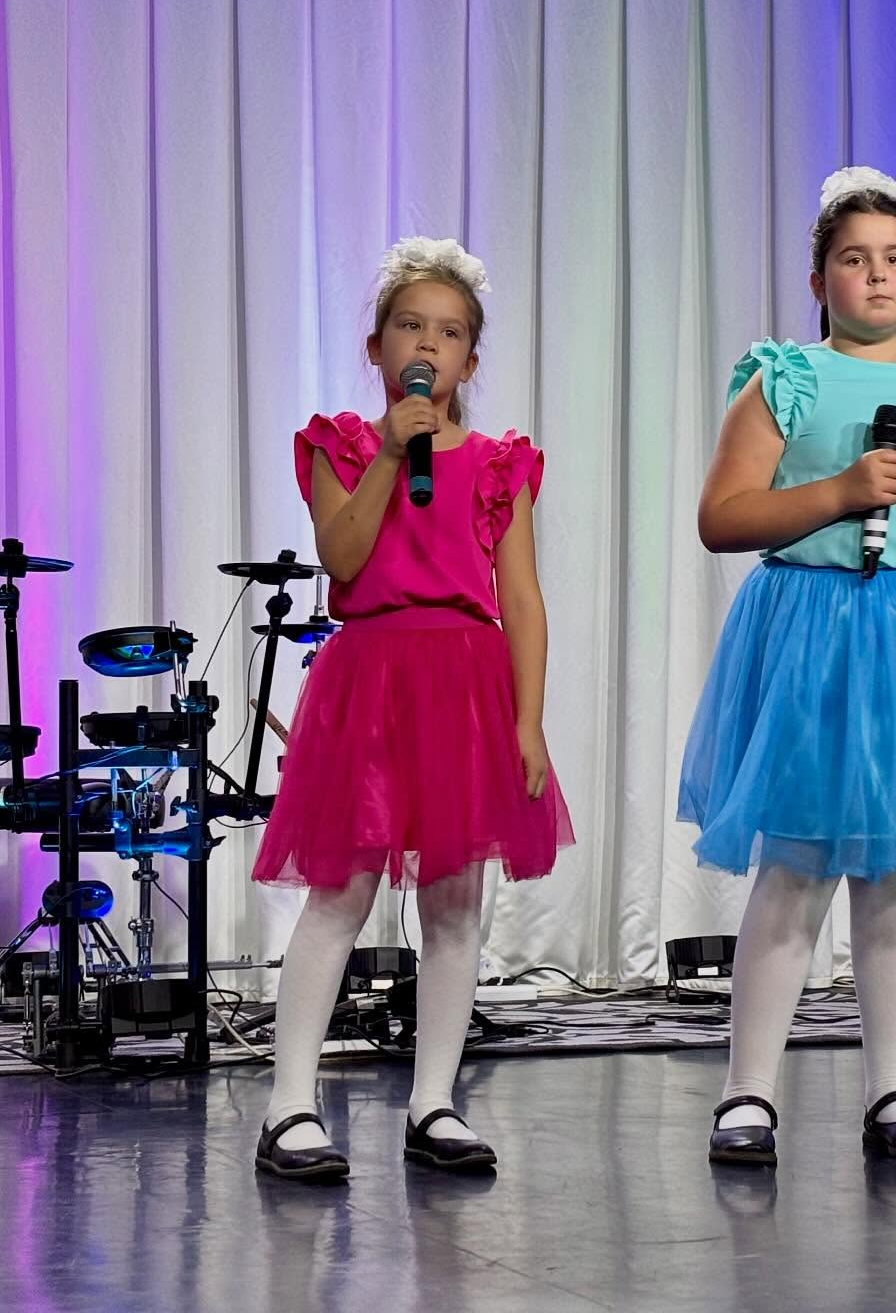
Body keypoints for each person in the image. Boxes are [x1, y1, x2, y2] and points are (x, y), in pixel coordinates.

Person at [679, 167, 896, 1164]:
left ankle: (894, 1090)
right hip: (814, 633)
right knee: (796, 868)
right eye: (853, 259)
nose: (876, 274)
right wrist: (839, 492)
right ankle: (748, 1093)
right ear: (819, 279)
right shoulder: (785, 378)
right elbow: (723, 516)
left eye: (893, 258)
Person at [252, 236, 574, 1181]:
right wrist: (394, 453)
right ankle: (289, 1105)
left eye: (450, 332)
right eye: (409, 326)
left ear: (469, 360)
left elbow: (522, 598)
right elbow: (343, 557)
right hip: (371, 679)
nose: (428, 344)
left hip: (465, 685)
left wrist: (527, 719)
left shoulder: (502, 465)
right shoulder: (341, 446)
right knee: (341, 891)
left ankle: (434, 1101)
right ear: (377, 347)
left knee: (455, 901)